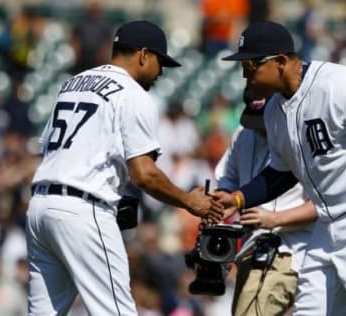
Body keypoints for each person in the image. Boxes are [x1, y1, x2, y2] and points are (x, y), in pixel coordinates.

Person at [214, 21, 346, 315]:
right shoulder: (273, 111)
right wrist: (237, 198)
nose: (245, 74)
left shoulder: (338, 84)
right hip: (325, 226)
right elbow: (281, 173)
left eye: (250, 65)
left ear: (280, 61)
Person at [25, 20, 223, 315]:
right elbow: (144, 173)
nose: (160, 72)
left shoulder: (71, 84)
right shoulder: (133, 93)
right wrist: (188, 201)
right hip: (83, 209)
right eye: (159, 62)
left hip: (40, 207)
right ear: (143, 55)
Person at [215, 86, 316, 316]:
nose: (259, 129)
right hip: (252, 247)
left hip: (291, 248)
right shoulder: (243, 133)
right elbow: (227, 177)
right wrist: (223, 196)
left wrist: (274, 219)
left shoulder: (299, 137)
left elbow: (324, 204)